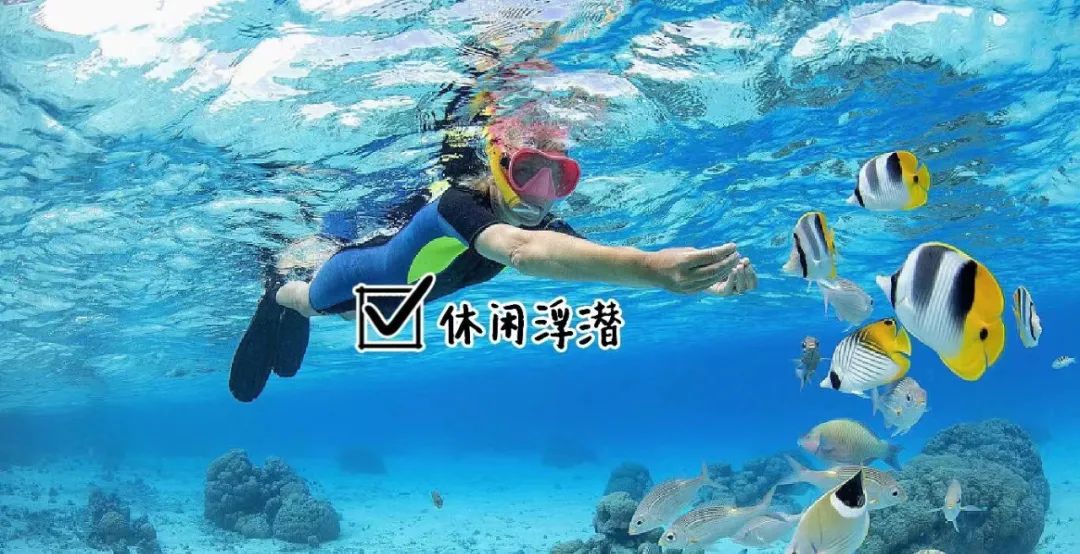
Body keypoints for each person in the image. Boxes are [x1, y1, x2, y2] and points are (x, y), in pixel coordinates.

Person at [229, 103, 758, 402]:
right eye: (528, 172)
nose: (539, 195)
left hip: (406, 298)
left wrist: (707, 285)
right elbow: (522, 251)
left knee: (358, 319)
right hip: (357, 274)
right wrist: (654, 269)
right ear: (497, 167)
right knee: (315, 304)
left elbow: (591, 257)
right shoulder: (459, 204)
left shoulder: (545, 223)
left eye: (558, 179)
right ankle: (277, 290)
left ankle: (291, 296)